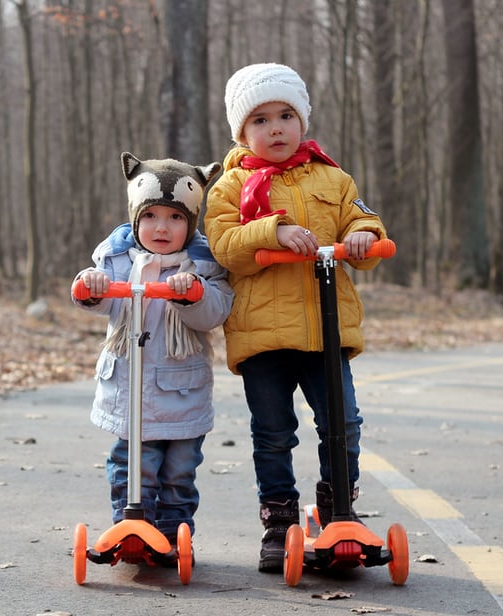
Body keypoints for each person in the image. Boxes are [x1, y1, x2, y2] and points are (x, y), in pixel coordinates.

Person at [203, 63, 388, 573]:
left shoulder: (333, 176)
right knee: (274, 429)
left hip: (326, 332)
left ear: (302, 121)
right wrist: (273, 231)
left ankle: (338, 511)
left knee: (343, 423)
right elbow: (224, 245)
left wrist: (364, 237)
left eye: (286, 115)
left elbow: (364, 223)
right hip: (263, 334)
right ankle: (279, 520)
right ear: (242, 131)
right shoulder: (231, 188)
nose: (276, 127)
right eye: (261, 120)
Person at [72, 152, 233, 552]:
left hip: (182, 396)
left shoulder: (204, 266)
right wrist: (90, 285)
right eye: (151, 216)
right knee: (130, 469)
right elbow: (102, 297)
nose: (162, 227)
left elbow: (215, 312)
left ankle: (173, 536)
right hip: (130, 395)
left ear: (191, 222)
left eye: (176, 218)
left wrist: (192, 295)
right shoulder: (118, 260)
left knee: (179, 474)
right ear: (135, 218)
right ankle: (128, 531)